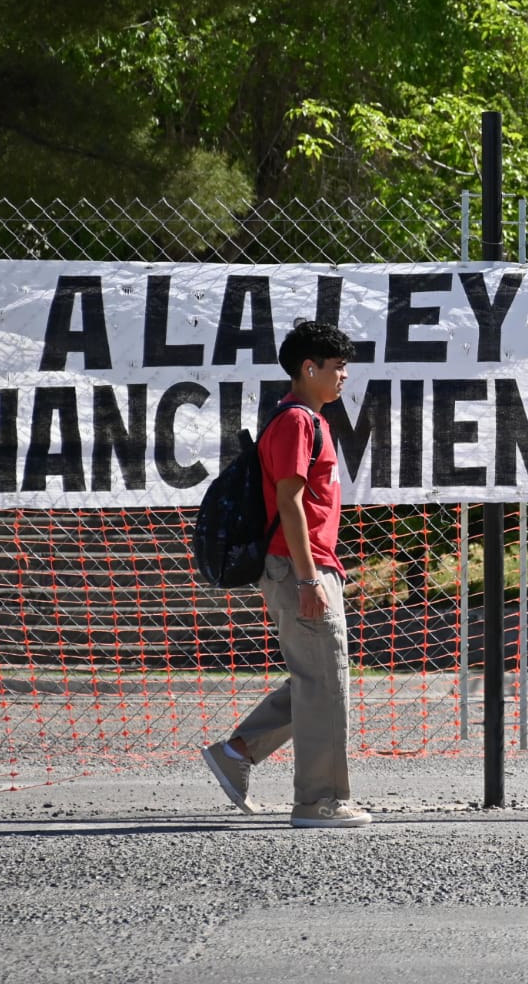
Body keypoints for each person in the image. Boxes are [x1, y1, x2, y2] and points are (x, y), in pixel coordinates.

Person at [202, 321, 372, 827]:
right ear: (308, 368)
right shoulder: (298, 421)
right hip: (302, 567)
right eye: (337, 367)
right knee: (326, 683)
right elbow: (289, 501)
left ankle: (237, 753)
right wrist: (307, 577)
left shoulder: (304, 419)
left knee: (316, 678)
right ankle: (320, 802)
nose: (343, 376)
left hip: (307, 565)